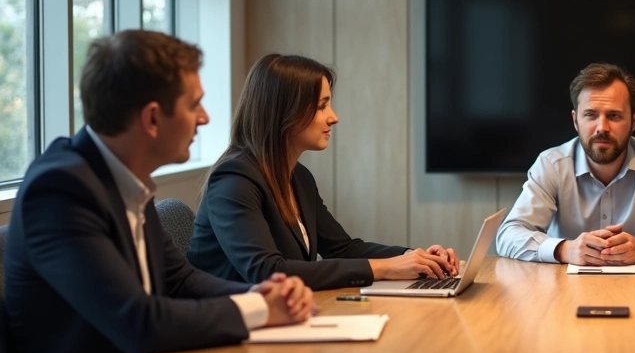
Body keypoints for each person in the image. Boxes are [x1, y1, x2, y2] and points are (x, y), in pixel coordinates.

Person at [2, 30, 328, 353]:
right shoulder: (62, 191)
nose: (206, 117)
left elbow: (182, 280)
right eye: (195, 104)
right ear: (153, 118)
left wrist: (262, 291)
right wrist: (263, 309)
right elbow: (139, 322)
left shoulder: (126, 183)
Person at [188, 54, 460, 290]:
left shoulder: (299, 177)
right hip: (227, 334)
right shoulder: (234, 180)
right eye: (321, 106)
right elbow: (266, 271)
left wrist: (415, 257)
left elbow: (342, 248)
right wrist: (386, 268)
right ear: (284, 113)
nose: (333, 116)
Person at [495, 62, 635, 265]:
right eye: (591, 115)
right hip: (563, 295)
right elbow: (508, 235)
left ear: (634, 121)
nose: (602, 127)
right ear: (576, 121)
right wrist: (565, 249)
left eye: (614, 116)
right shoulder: (551, 164)